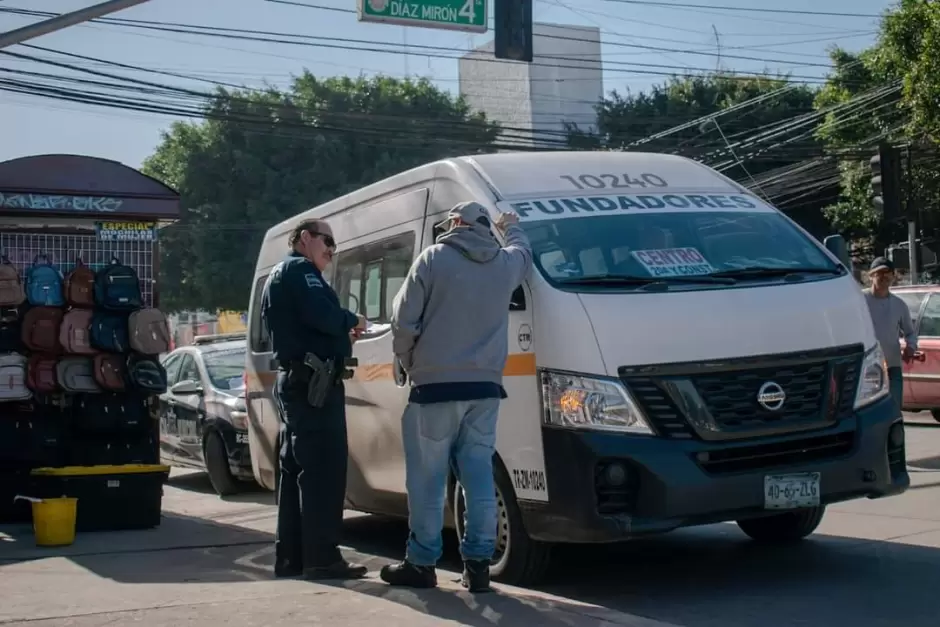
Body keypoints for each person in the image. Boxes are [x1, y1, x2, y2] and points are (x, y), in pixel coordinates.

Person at [381, 201, 532, 593]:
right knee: (478, 475)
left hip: (433, 389)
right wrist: (510, 225)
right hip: (485, 389)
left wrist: (409, 359)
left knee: (428, 479)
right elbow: (524, 252)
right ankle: (479, 565)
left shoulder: (432, 258)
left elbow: (402, 319)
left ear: (456, 223)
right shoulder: (504, 264)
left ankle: (422, 563)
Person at [261, 218, 368, 580]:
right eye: (328, 241)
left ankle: (292, 558)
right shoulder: (299, 270)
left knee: (295, 474)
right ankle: (322, 558)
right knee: (323, 471)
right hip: (313, 388)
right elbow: (320, 315)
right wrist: (353, 320)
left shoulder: (285, 274)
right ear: (305, 238)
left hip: (300, 383)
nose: (332, 249)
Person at [863, 256, 917, 415]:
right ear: (871, 276)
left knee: (894, 412)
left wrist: (911, 347)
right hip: (866, 367)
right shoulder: (860, 300)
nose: (884, 277)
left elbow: (910, 332)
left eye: (888, 273)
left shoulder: (899, 305)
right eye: (879, 273)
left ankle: (893, 439)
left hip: (892, 366)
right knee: (869, 413)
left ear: (893, 276)